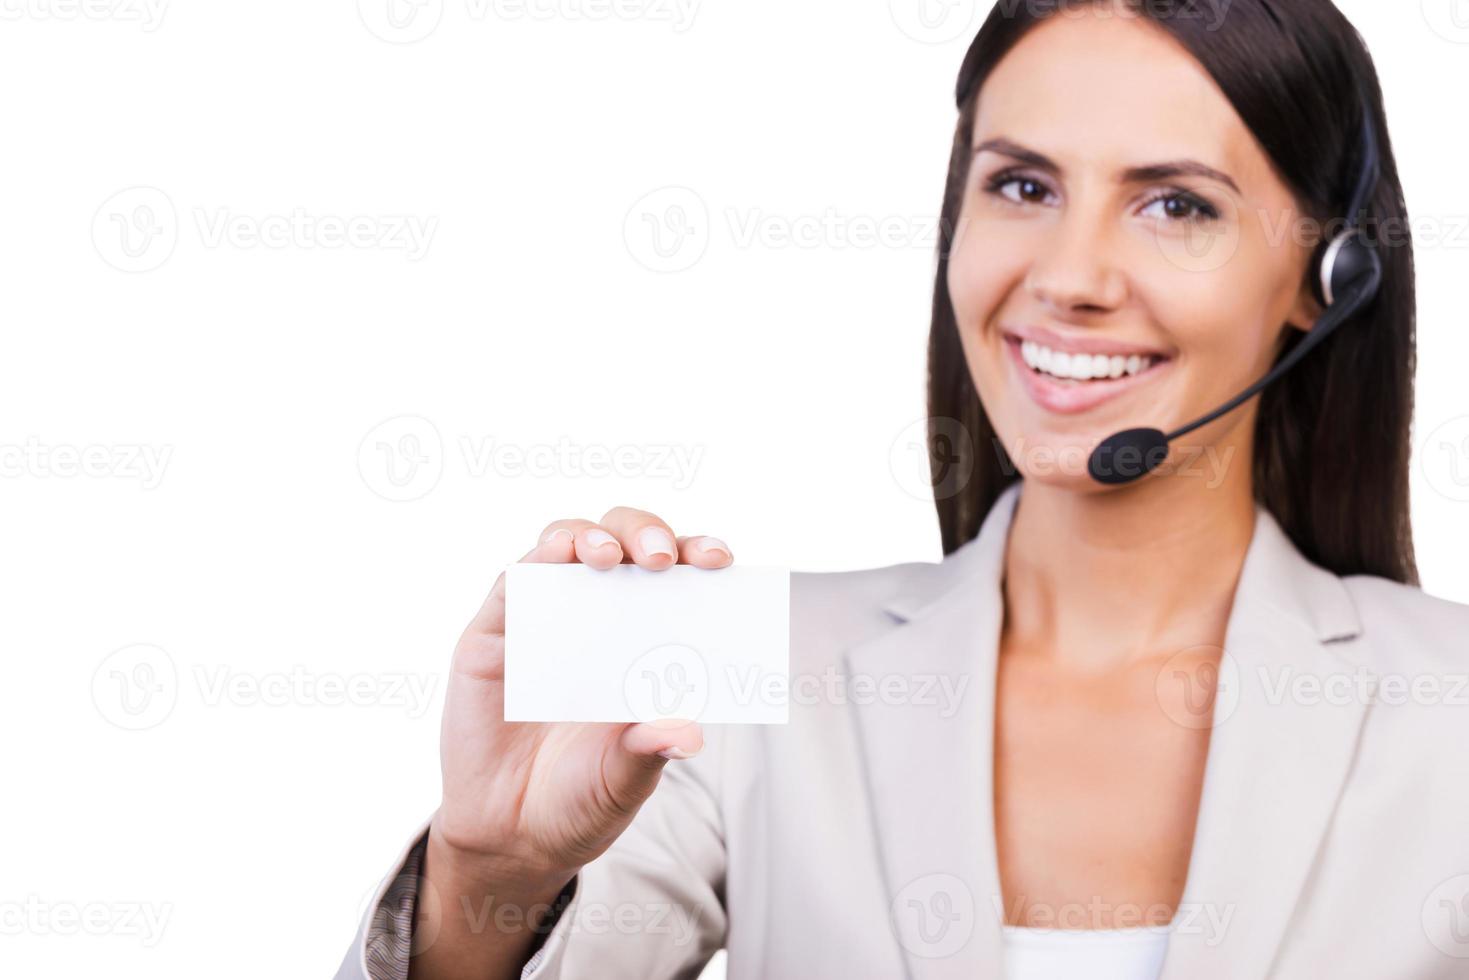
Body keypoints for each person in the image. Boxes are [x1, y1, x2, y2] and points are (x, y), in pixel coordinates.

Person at [337, 2, 1469, 977]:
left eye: (1173, 204)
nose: (1068, 278)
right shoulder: (747, 671)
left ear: (1326, 277)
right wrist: (489, 870)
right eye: (1020, 184)